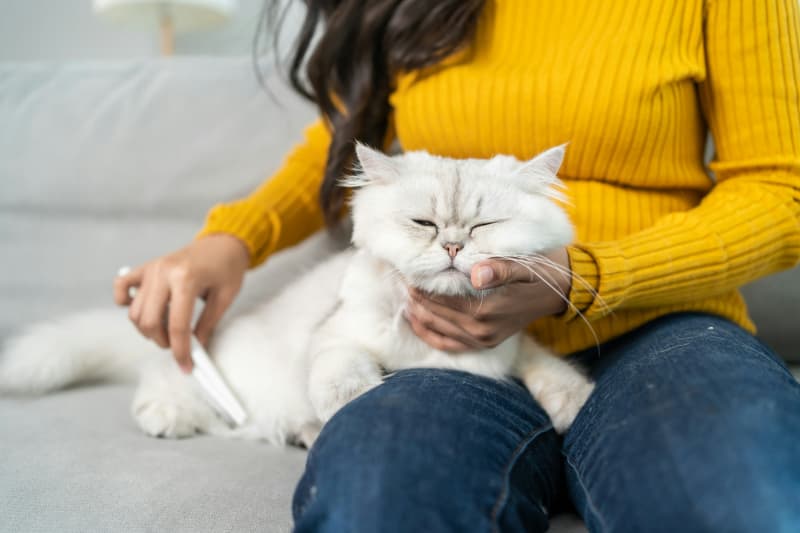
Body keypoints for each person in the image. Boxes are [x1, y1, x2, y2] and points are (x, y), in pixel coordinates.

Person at [114, 0, 800, 531]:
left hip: (663, 324)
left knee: (750, 498)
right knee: (374, 501)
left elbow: (783, 189)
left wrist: (581, 277)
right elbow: (349, 145)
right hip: (435, 338)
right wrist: (231, 240)